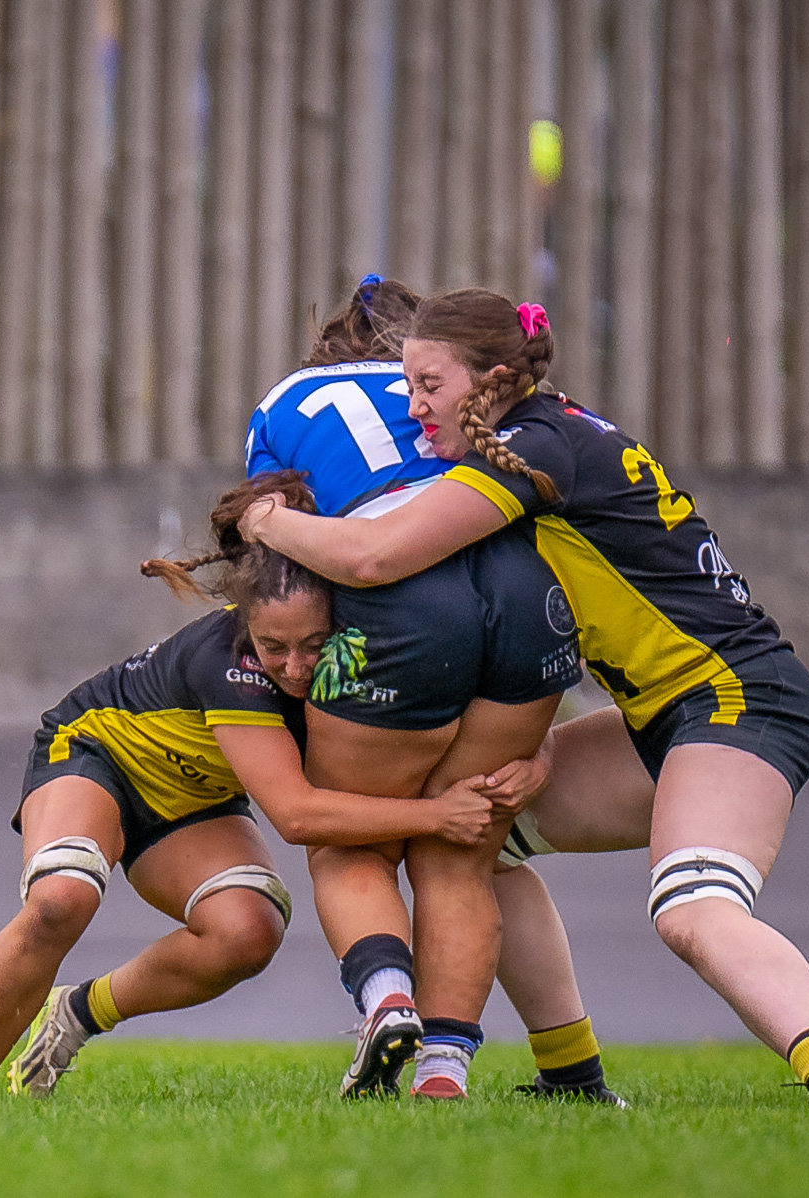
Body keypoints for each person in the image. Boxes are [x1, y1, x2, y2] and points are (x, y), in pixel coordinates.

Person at [241, 286, 809, 1110]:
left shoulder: (531, 446)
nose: (411, 407)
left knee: (691, 907)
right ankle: (573, 1080)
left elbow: (376, 555)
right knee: (481, 833)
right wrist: (543, 750)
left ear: (490, 381)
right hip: (660, 715)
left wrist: (264, 521)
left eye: (427, 386)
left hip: (739, 700)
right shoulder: (542, 434)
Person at [0, 475, 519, 1099]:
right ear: (247, 624)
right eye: (274, 647)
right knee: (62, 899)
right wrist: (434, 817)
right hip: (99, 754)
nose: (294, 668)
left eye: (313, 646)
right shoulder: (228, 660)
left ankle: (76, 1013)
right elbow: (296, 815)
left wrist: (532, 763)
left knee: (249, 932)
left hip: (195, 798)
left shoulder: (371, 651)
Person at [247, 274, 620, 1103]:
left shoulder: (287, 401)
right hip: (530, 591)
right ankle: (444, 1070)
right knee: (462, 852)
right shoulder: (485, 397)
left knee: (353, 845)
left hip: (400, 597)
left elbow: (288, 569)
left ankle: (387, 1004)